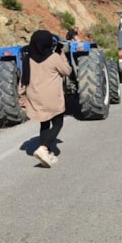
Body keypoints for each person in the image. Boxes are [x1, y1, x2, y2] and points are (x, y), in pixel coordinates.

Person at [19, 30, 72, 168]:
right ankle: (44, 148)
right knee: (58, 123)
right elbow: (67, 71)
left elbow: (24, 80)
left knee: (44, 123)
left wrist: (21, 96)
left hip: (35, 96)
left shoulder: (28, 58)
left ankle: (46, 154)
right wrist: (62, 55)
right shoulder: (54, 57)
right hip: (51, 97)